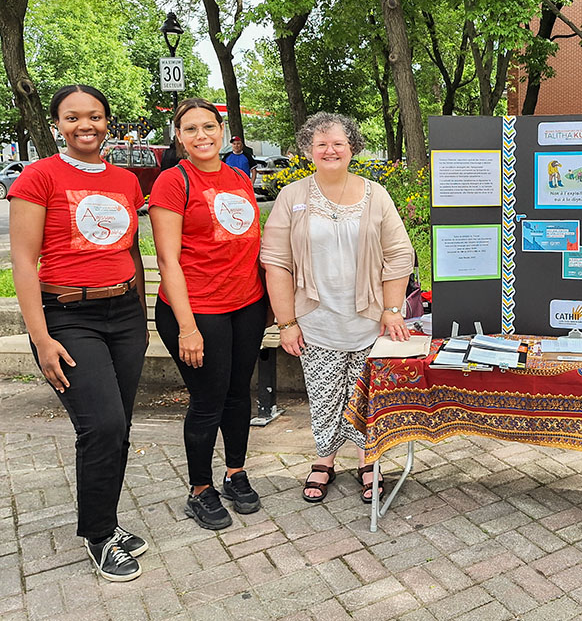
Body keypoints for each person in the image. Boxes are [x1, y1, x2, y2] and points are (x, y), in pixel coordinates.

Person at [9, 85, 148, 581]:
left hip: (125, 314)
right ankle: (98, 536)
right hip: (67, 316)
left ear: (109, 121)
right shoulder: (37, 176)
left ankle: (106, 523)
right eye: (72, 118)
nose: (84, 125)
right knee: (103, 426)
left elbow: (129, 247)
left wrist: (139, 309)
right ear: (57, 125)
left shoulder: (126, 181)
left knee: (119, 427)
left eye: (94, 116)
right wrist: (42, 338)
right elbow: (23, 263)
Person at [261, 112, 413, 504]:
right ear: (308, 150)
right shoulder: (292, 197)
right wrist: (287, 322)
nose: (330, 150)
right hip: (315, 322)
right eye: (321, 144)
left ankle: (367, 459)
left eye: (338, 143)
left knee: (365, 396)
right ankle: (324, 460)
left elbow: (399, 255)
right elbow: (276, 261)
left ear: (352, 148)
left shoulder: (375, 195)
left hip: (368, 322)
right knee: (325, 394)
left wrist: (392, 308)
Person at [149, 98, 268, 530]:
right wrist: (187, 327)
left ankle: (235, 472)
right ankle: (200, 489)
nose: (202, 136)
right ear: (179, 138)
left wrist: (267, 303)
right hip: (198, 310)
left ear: (222, 131)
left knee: (239, 394)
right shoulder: (172, 181)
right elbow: (168, 261)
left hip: (246, 305)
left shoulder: (238, 176)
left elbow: (249, 243)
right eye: (191, 129)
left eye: (209, 127)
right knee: (208, 401)